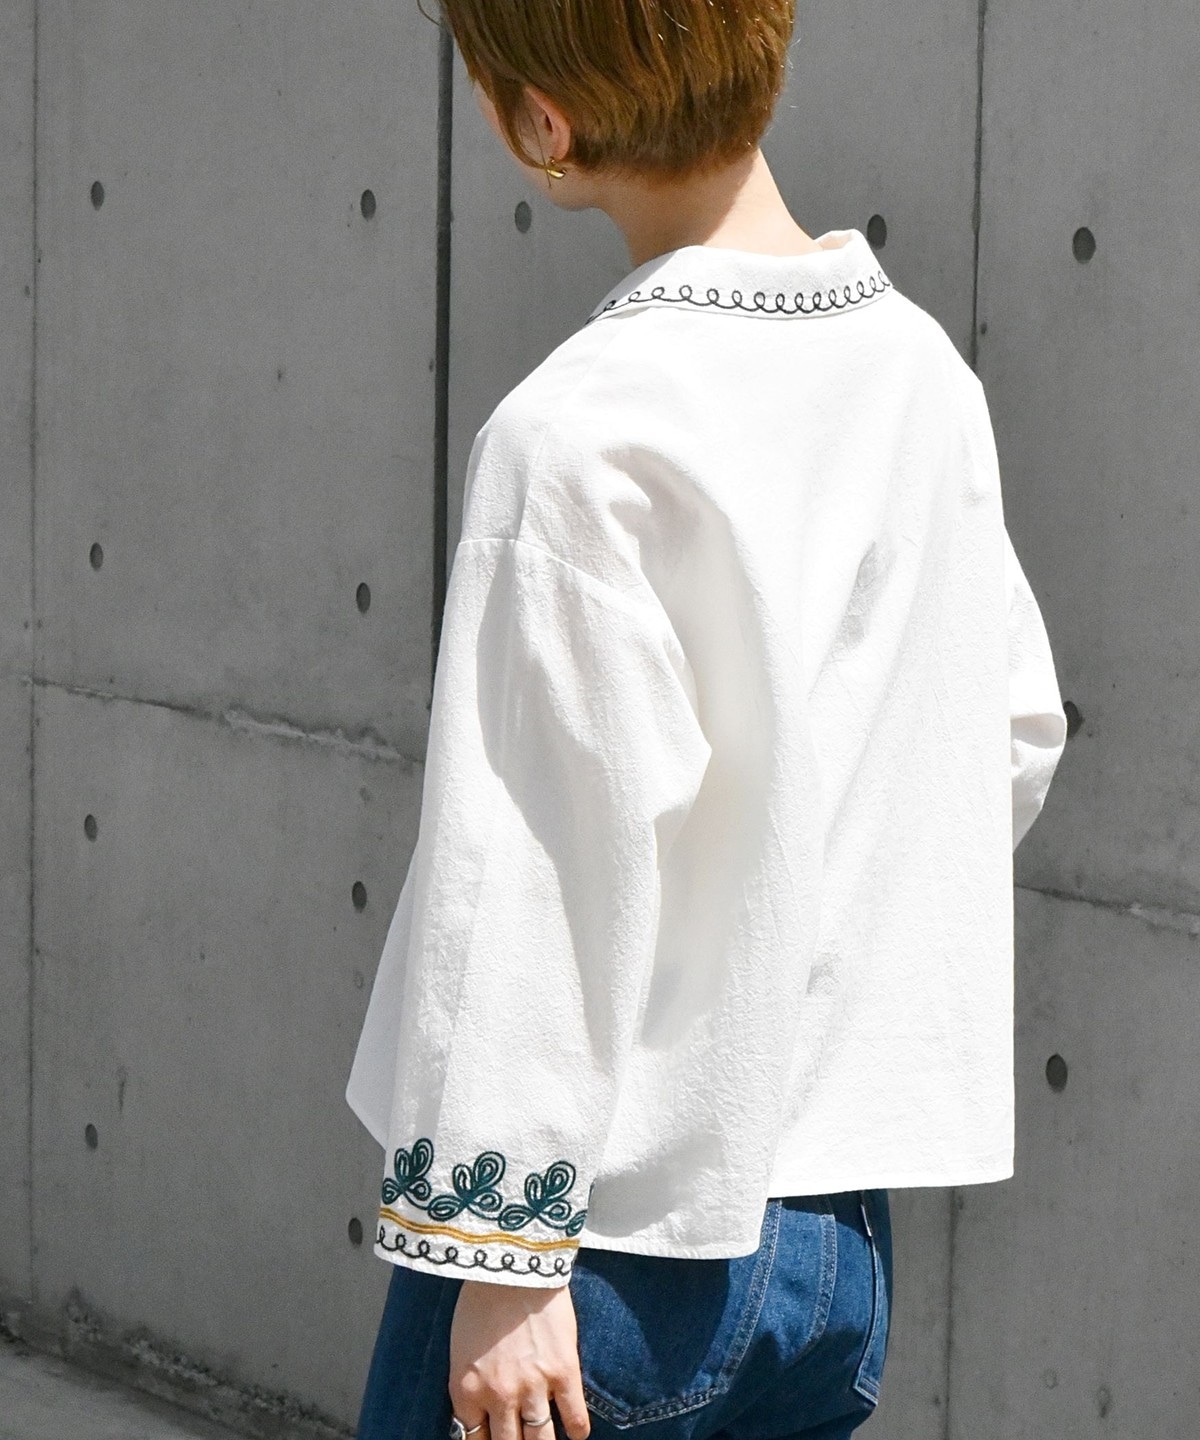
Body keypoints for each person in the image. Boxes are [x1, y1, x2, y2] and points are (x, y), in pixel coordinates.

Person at [345, 2, 1069, 1438]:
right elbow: (1009, 733)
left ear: (542, 122)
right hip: (835, 1251)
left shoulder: (577, 433)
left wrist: (497, 1260)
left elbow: (537, 866)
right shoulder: (922, 375)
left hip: (598, 1254)